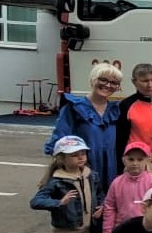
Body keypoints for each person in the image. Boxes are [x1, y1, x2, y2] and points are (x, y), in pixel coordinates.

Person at [44, 62, 121, 203]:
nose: (108, 85)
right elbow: (60, 137)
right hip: (83, 164)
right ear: (92, 80)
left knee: (107, 207)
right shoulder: (74, 107)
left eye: (114, 82)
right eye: (103, 80)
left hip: (110, 166)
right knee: (83, 207)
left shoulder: (116, 110)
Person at [31, 135, 97, 233]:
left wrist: (101, 206)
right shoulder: (56, 180)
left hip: (87, 231)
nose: (81, 158)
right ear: (62, 159)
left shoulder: (91, 175)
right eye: (75, 155)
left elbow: (98, 194)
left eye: (83, 154)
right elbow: (36, 201)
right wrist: (59, 202)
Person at [114, 63, 152, 174]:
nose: (150, 85)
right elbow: (121, 137)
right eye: (144, 81)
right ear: (134, 82)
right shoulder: (127, 104)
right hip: (138, 160)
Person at [101, 141, 152, 233]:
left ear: (147, 160)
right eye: (131, 159)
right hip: (122, 231)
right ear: (124, 160)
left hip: (147, 230)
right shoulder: (116, 182)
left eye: (140, 159)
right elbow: (110, 207)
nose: (135, 163)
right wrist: (107, 231)